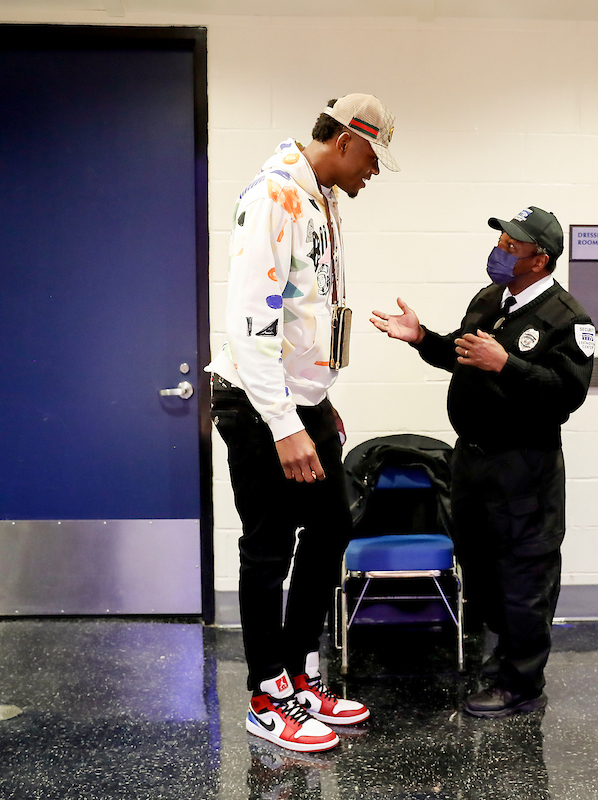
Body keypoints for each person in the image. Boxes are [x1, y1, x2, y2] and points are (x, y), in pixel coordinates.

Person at [207, 94, 399, 752]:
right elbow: (251, 323)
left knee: (331, 524)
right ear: (346, 140)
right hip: (260, 401)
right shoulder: (276, 198)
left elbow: (304, 308)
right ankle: (266, 694)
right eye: (373, 156)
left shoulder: (322, 197)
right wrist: (286, 423)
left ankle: (294, 673)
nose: (375, 170)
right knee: (266, 546)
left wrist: (317, 396)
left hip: (299, 397)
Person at [370, 206, 595, 718]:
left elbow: (565, 395)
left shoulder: (568, 319)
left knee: (524, 573)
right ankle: (501, 661)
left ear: (540, 260)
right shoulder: (491, 297)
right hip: (471, 462)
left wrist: (507, 364)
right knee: (484, 568)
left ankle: (522, 682)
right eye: (501, 240)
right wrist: (423, 338)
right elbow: (462, 353)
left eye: (512, 244)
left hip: (523, 469)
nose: (500, 249)